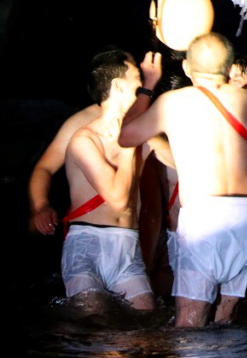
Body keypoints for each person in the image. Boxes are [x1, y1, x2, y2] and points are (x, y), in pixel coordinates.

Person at [119, 33, 247, 327]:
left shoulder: (173, 102)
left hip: (203, 214)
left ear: (187, 69)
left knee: (190, 320)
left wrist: (147, 85)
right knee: (227, 316)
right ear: (230, 69)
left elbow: (126, 136)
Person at [62, 50, 170, 311]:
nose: (142, 82)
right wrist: (128, 146)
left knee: (145, 321)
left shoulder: (143, 135)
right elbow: (119, 199)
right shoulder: (84, 140)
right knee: (94, 322)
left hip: (126, 243)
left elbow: (187, 166)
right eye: (137, 77)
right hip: (88, 242)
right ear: (119, 86)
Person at [29, 51, 162, 235]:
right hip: (94, 231)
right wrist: (41, 206)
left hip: (134, 235)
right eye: (135, 73)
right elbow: (44, 168)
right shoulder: (82, 123)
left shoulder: (146, 121)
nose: (139, 81)